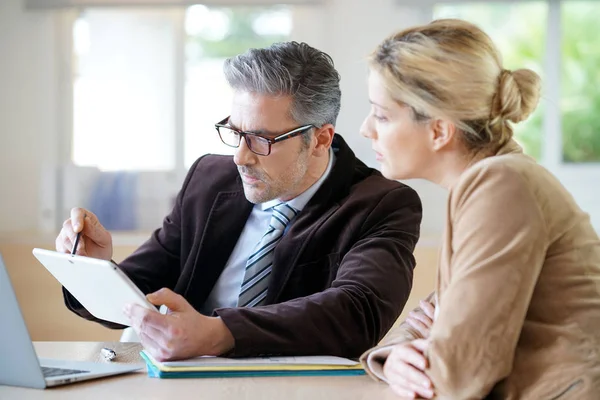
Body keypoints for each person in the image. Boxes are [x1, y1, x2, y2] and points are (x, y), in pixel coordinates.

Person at [55, 41, 423, 362]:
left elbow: (358, 311)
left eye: (262, 139)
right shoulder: (209, 180)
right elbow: (141, 294)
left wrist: (218, 333)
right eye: (235, 132)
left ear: (321, 139)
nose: (240, 157)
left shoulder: (382, 204)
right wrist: (94, 272)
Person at [359, 19, 600, 399]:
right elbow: (428, 321)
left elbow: (458, 373)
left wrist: (430, 349)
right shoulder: (489, 181)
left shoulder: (502, 185)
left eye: (382, 115)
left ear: (439, 131)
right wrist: (398, 354)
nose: (365, 128)